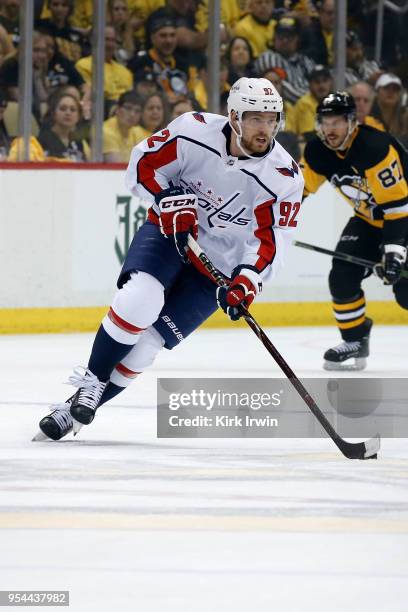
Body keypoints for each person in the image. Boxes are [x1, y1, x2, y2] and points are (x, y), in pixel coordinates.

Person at [34, 76, 304, 441]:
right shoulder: (193, 131)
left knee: (146, 348)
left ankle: (76, 409)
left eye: (272, 119)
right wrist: (168, 198)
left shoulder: (284, 176)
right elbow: (143, 166)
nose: (265, 128)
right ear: (234, 116)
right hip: (170, 233)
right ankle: (93, 381)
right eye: (256, 118)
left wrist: (246, 279)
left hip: (220, 266)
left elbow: (271, 240)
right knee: (139, 299)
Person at [300, 91, 408, 370]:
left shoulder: (375, 147)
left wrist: (393, 254)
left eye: (337, 122)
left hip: (404, 217)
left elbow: (397, 209)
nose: (330, 129)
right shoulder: (316, 152)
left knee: (405, 293)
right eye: (326, 122)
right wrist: (268, 219)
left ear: (352, 122)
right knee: (342, 276)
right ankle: (355, 340)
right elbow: (295, 192)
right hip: (369, 220)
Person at [255, 16, 316, 104]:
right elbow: (283, 90)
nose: (285, 40)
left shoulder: (306, 61)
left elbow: (318, 84)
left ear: (297, 39)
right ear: (274, 38)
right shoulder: (268, 58)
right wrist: (313, 100)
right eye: (281, 36)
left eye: (289, 37)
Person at [38, 90, 89, 161]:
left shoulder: (79, 142)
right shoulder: (41, 141)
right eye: (63, 109)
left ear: (78, 116)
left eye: (73, 110)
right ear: (53, 114)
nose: (68, 113)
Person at [103, 91, 143, 163]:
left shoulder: (137, 132)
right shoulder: (105, 131)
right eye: (128, 108)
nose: (132, 114)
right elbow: (117, 168)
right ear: (117, 109)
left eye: (137, 111)